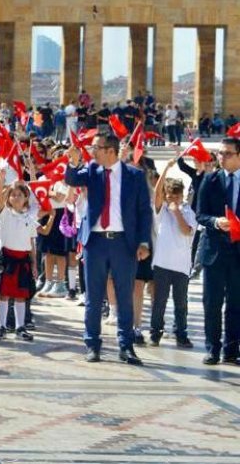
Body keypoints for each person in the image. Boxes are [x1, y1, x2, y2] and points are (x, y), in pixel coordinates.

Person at [65, 132, 152, 365]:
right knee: (94, 297)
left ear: (110, 151)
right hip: (95, 241)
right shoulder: (92, 171)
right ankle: (92, 344)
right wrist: (73, 161)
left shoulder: (134, 175)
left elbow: (144, 211)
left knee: (125, 296)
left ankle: (126, 346)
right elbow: (72, 179)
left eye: (96, 147)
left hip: (124, 243)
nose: (92, 151)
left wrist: (144, 242)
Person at [194, 137, 240, 365]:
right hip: (214, 252)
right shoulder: (210, 179)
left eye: (228, 154)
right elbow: (200, 214)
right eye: (220, 153)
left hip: (238, 253)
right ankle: (212, 348)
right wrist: (215, 221)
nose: (222, 158)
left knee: (236, 304)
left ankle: (232, 350)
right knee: (211, 302)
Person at [0, 174, 50, 342]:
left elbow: (31, 242)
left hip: (23, 259)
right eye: (13, 194)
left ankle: (20, 326)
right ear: (8, 198)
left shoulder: (30, 218)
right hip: (7, 258)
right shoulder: (5, 214)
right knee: (3, 294)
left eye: (20, 195)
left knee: (20, 295)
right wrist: (0, 179)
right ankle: (1, 325)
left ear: (26, 199)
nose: (16, 197)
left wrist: (34, 264)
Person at [149, 164, 195, 348]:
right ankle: (155, 333)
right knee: (159, 301)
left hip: (182, 266)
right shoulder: (161, 211)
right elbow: (157, 194)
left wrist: (177, 213)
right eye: (170, 195)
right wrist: (166, 169)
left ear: (182, 195)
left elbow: (186, 231)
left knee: (181, 304)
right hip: (162, 264)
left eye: (177, 195)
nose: (173, 198)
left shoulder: (188, 212)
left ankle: (181, 333)